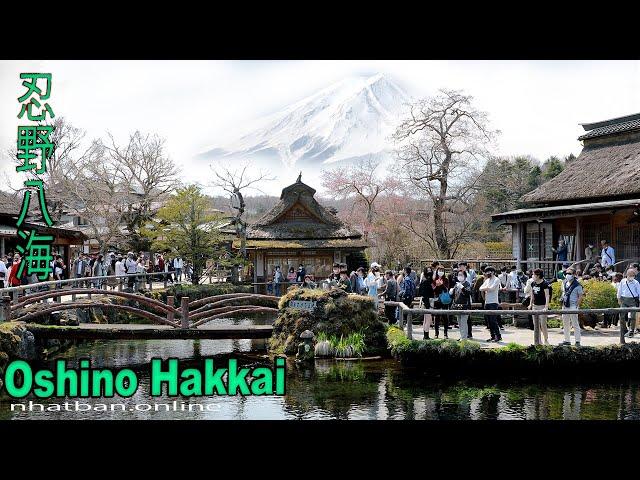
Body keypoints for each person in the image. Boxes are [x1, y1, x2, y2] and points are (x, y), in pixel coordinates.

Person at [559, 267, 584, 346]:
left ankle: (577, 341)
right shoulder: (565, 283)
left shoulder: (578, 285)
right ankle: (567, 340)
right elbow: (563, 293)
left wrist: (577, 306)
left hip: (573, 306)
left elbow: (580, 296)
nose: (567, 275)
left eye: (569, 273)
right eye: (566, 273)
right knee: (565, 324)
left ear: (574, 275)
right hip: (565, 306)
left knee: (575, 324)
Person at [479, 266, 502, 342]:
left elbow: (492, 288)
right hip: (487, 302)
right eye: (486, 272)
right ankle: (492, 336)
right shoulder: (487, 280)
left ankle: (498, 336)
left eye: (489, 271)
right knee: (489, 321)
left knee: (493, 320)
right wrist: (487, 288)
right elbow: (480, 288)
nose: (488, 273)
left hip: (493, 302)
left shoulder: (496, 279)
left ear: (493, 272)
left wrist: (486, 288)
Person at [617, 268, 640, 344]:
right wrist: (618, 298)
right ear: (627, 275)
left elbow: (639, 292)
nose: (632, 276)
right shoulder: (623, 281)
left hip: (633, 300)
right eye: (630, 275)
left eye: (633, 275)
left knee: (633, 317)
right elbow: (619, 290)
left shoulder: (636, 282)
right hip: (624, 300)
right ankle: (624, 329)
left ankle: (631, 331)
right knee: (621, 316)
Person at [529, 269, 551, 346]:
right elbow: (532, 294)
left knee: (543, 324)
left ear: (538, 275)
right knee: (536, 324)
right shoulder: (533, 283)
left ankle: (546, 339)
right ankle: (538, 340)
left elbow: (547, 295)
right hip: (535, 306)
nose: (532, 276)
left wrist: (546, 306)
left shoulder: (545, 284)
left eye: (534, 274)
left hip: (542, 306)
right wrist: (530, 304)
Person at [450, 270, 472, 340]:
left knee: (464, 322)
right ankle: (462, 336)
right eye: (458, 275)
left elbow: (468, 293)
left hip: (465, 306)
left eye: (461, 275)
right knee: (459, 322)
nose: (459, 276)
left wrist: (462, 288)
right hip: (457, 306)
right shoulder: (456, 284)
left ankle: (464, 338)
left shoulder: (467, 284)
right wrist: (451, 293)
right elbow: (454, 296)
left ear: (465, 276)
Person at [432, 266, 450, 338]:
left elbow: (446, 289)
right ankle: (436, 333)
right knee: (437, 317)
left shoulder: (446, 279)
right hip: (437, 300)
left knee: (445, 316)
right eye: (439, 270)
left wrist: (441, 285)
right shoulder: (434, 279)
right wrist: (436, 285)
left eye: (442, 270)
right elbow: (433, 290)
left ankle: (445, 334)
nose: (441, 271)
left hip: (444, 300)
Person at [418, 267, 435, 339]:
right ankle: (426, 335)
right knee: (428, 319)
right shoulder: (425, 281)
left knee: (426, 319)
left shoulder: (426, 280)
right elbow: (423, 293)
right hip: (427, 301)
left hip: (427, 300)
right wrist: (427, 304)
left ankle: (426, 334)